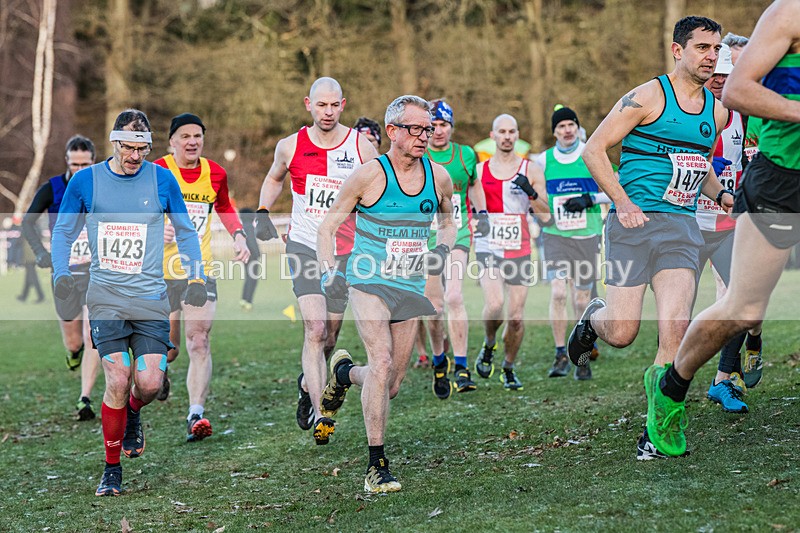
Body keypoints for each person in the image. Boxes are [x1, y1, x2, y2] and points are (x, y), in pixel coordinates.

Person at [567, 16, 731, 459]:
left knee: (675, 329)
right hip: (632, 226)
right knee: (622, 333)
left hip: (680, 228)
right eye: (702, 48)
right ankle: (591, 322)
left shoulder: (716, 112)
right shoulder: (647, 96)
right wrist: (622, 201)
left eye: (716, 48)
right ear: (678, 51)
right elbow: (594, 149)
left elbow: (700, 167)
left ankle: (656, 430)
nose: (711, 56)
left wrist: (723, 195)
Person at [644, 0, 800, 458]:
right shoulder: (787, 15)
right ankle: (671, 390)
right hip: (784, 178)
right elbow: (738, 92)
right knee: (745, 309)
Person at [51, 109, 207, 496]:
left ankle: (134, 411)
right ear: (114, 143)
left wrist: (197, 276)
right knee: (118, 378)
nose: (137, 156)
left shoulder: (161, 179)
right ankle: (112, 468)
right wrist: (61, 273)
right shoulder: (86, 182)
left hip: (150, 298)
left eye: (144, 148)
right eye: (130, 148)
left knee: (150, 383)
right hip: (105, 299)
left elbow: (186, 233)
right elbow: (62, 232)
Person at [316, 94, 457, 492]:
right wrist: (330, 272)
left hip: (409, 287)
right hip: (368, 281)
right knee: (380, 362)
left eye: (428, 129)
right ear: (392, 131)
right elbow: (326, 228)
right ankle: (376, 466)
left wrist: (443, 250)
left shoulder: (439, 176)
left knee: (391, 383)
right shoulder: (368, 176)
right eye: (415, 129)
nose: (424, 136)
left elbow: (449, 222)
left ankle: (343, 373)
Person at [255, 77, 378, 443]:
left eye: (333, 105)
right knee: (316, 328)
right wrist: (263, 208)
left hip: (345, 251)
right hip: (305, 245)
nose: (327, 112)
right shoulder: (290, 145)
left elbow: (380, 187)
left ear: (343, 105)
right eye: (320, 105)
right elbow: (274, 178)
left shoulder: (362, 147)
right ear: (308, 104)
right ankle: (324, 412)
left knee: (330, 338)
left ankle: (307, 381)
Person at [154, 113, 250, 441]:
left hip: (199, 270)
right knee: (168, 347)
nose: (192, 141)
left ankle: (196, 413)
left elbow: (224, 207)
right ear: (172, 142)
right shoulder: (158, 171)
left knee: (199, 340)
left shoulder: (215, 173)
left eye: (198, 136)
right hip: (161, 271)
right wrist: (157, 226)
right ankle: (160, 372)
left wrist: (238, 235)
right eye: (185, 136)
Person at [694, 43, 763, 413]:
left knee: (741, 297)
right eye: (714, 74)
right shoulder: (687, 110)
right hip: (688, 223)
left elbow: (749, 162)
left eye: (726, 75)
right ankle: (668, 381)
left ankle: (723, 379)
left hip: (725, 222)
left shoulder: (743, 115)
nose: (719, 81)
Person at [21, 135, 100, 420]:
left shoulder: (100, 186)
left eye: (86, 164)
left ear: (94, 161)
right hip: (64, 274)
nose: (80, 169)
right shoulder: (52, 189)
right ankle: (72, 351)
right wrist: (41, 254)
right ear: (67, 161)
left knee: (94, 334)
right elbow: (27, 223)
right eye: (75, 164)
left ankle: (85, 398)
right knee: (74, 340)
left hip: (95, 272)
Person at [473, 114, 550, 391]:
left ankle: (507, 367)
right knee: (494, 305)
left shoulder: (532, 170)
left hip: (519, 248)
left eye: (511, 131)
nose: (507, 136)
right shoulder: (479, 171)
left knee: (516, 317)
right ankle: (489, 344)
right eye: (501, 131)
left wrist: (531, 192)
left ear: (517, 135)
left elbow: (546, 217)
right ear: (493, 136)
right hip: (488, 246)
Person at [531, 106, 606, 381]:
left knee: (581, 298)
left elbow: (616, 187)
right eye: (561, 126)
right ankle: (561, 353)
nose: (567, 130)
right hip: (556, 236)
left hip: (586, 236)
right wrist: (537, 215)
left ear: (577, 127)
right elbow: (536, 196)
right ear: (554, 132)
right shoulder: (542, 160)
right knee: (559, 292)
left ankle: (582, 355)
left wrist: (589, 199)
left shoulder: (591, 152)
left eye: (571, 124)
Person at [423, 99, 488, 397]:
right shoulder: (417, 155)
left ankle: (461, 366)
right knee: (433, 306)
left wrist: (483, 212)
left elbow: (474, 184)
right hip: (425, 239)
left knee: (454, 296)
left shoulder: (465, 155)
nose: (438, 131)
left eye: (443, 125)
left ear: (452, 126)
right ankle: (439, 360)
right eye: (433, 125)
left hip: (458, 232)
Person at [238, 208, 262, 311]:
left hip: (245, 255)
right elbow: (252, 242)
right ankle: (248, 301)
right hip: (252, 256)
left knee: (248, 278)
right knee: (253, 279)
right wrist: (257, 254)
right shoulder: (249, 227)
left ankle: (243, 299)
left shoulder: (242, 227)